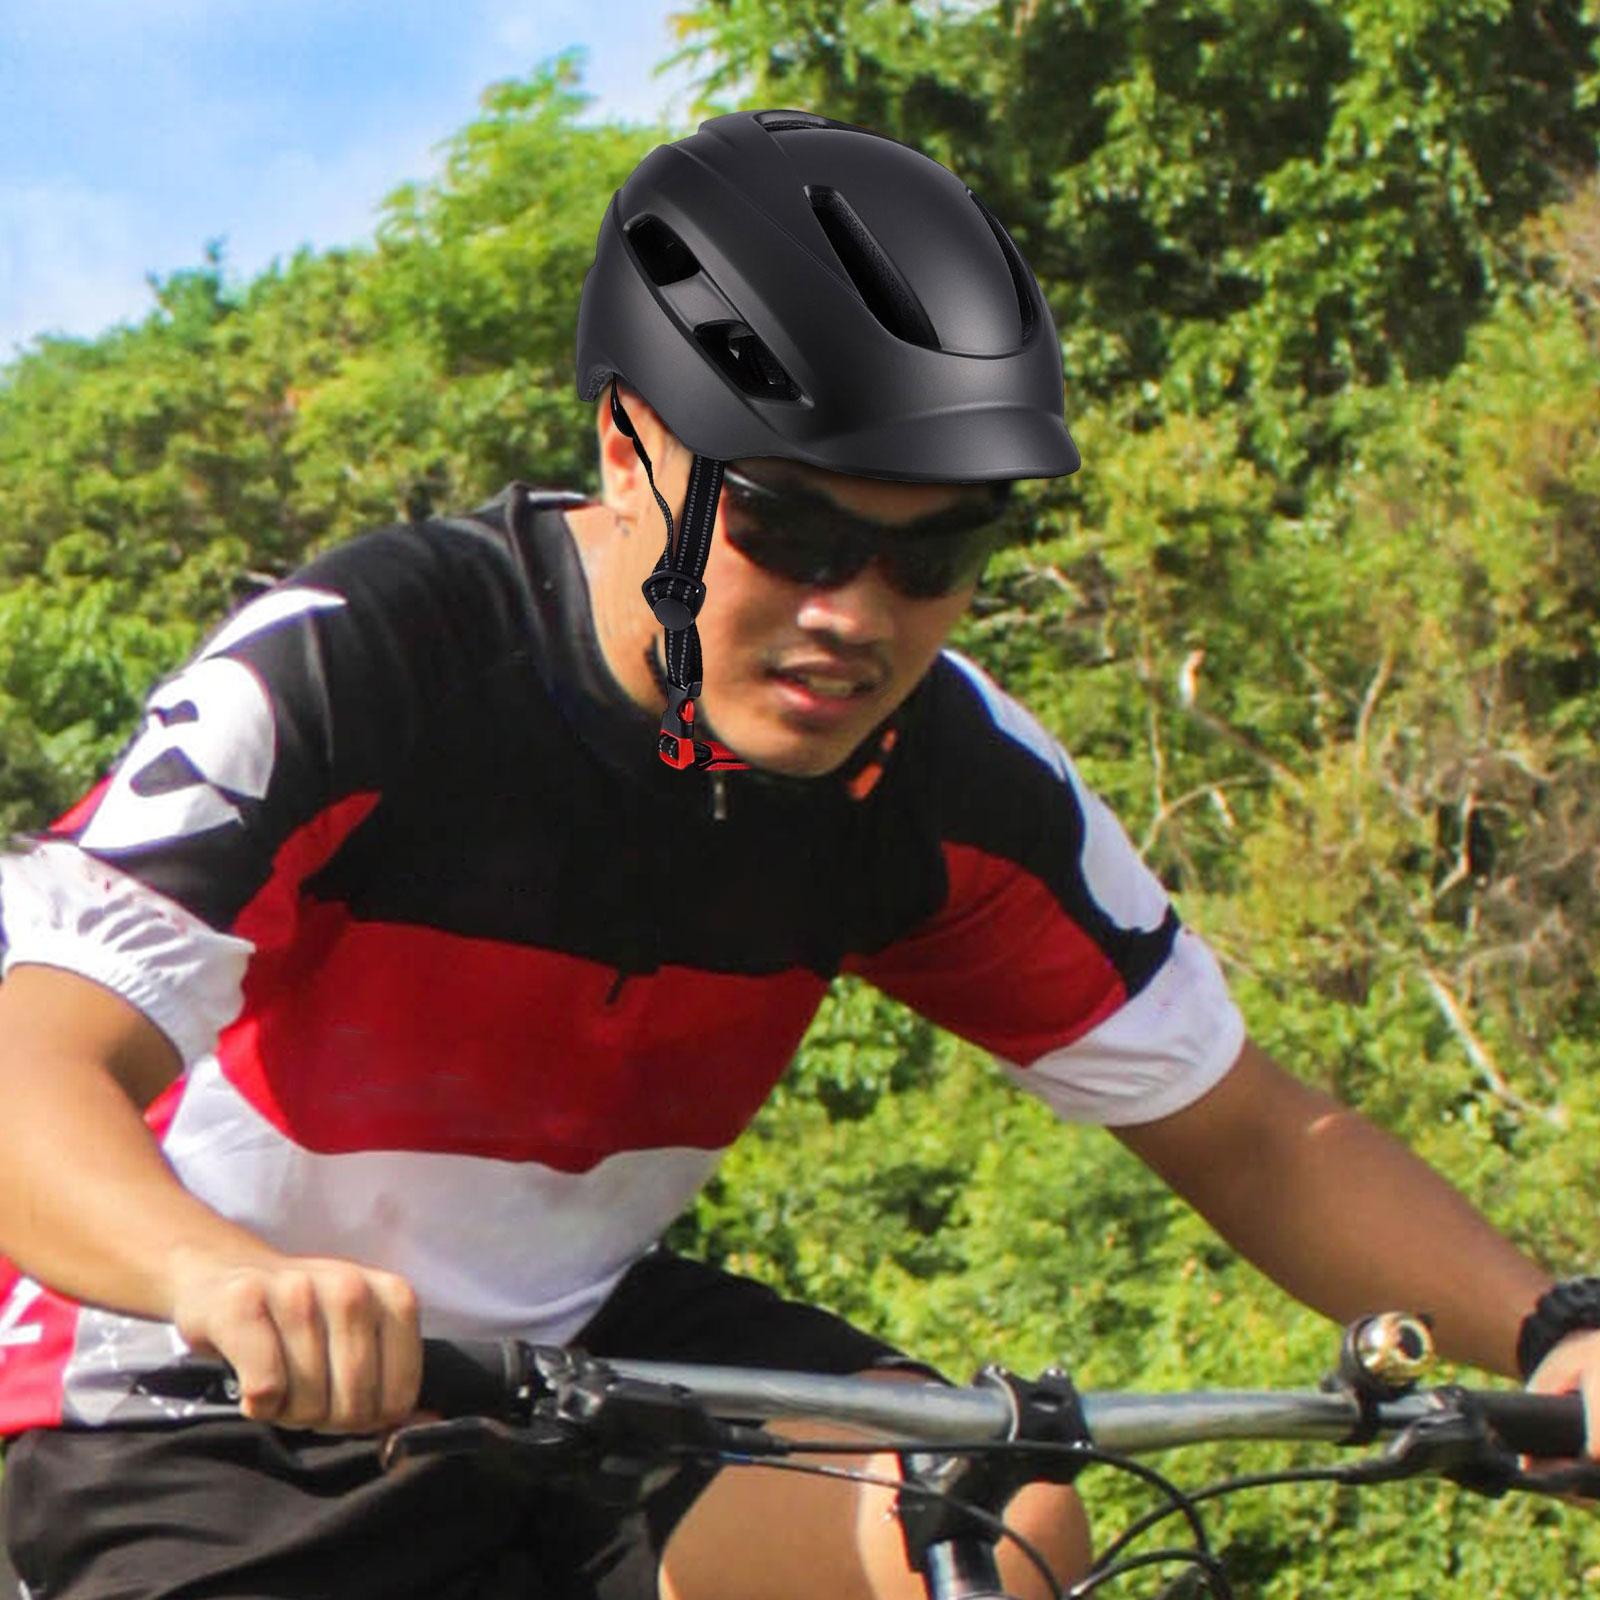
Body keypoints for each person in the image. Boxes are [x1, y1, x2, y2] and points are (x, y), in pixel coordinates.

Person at [0, 107, 1595, 1600]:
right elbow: (31, 1067)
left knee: (987, 1513)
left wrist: (1555, 1335)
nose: (856, 617)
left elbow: (1250, 1133)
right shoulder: (368, 660)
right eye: (787, 529)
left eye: (935, 552)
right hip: (184, 1387)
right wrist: (212, 1273)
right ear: (628, 449)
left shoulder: (949, 775)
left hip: (576, 1363)